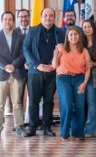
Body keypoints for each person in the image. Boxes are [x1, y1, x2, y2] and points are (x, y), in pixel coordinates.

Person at [23, 7, 65, 137]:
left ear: (54, 17)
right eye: (46, 15)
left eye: (51, 16)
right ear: (41, 17)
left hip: (52, 72)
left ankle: (47, 127)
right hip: (35, 72)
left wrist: (56, 65)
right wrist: (36, 65)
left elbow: (64, 51)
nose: (48, 18)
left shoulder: (60, 33)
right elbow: (26, 48)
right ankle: (32, 127)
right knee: (34, 101)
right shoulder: (33, 31)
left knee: (48, 101)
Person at [52, 26, 91, 141]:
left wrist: (84, 82)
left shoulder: (84, 50)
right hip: (63, 78)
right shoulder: (62, 48)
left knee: (79, 106)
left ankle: (78, 132)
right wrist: (56, 53)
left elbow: (88, 68)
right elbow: (54, 66)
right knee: (67, 105)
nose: (73, 37)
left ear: (79, 36)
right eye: (71, 35)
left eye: (76, 34)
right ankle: (64, 132)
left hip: (79, 78)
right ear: (67, 37)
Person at [0, 11, 27, 135]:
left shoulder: (20, 36)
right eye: (5, 19)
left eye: (10, 19)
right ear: (2, 21)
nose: (8, 21)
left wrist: (14, 65)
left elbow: (23, 54)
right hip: (2, 74)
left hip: (16, 73)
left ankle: (19, 126)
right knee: (0, 103)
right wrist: (5, 66)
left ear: (13, 21)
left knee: (17, 102)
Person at [82, 19, 96, 137]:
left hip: (93, 76)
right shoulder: (79, 42)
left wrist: (95, 64)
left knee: (92, 103)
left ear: (93, 28)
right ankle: (79, 127)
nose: (86, 29)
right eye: (84, 27)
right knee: (80, 103)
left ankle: (90, 130)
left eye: (89, 27)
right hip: (79, 76)